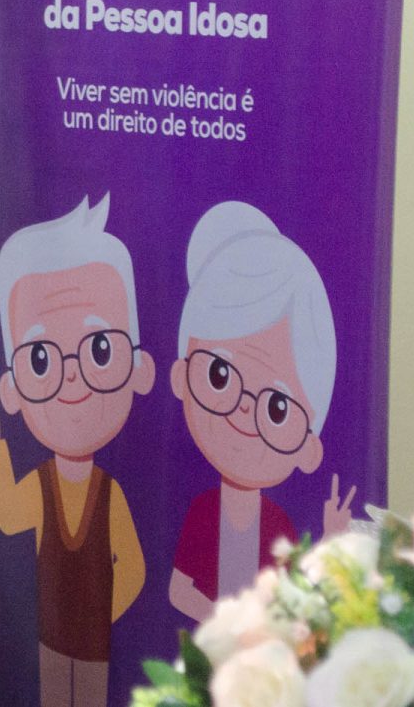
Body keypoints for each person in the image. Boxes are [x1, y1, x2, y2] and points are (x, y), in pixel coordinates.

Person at [0, 195, 154, 707]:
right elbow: (9, 516)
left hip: (92, 645)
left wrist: (98, 615)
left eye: (100, 349)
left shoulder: (109, 494)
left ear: (138, 369)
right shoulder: (43, 484)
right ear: (13, 389)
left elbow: (134, 567)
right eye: (41, 359)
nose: (71, 376)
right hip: (51, 640)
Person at [166, 201, 350, 623]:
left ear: (308, 447)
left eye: (278, 407)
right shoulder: (204, 512)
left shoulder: (277, 523)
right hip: (209, 650)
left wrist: (329, 541)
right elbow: (179, 590)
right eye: (219, 375)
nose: (245, 407)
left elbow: (299, 595)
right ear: (182, 377)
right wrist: (227, 622)